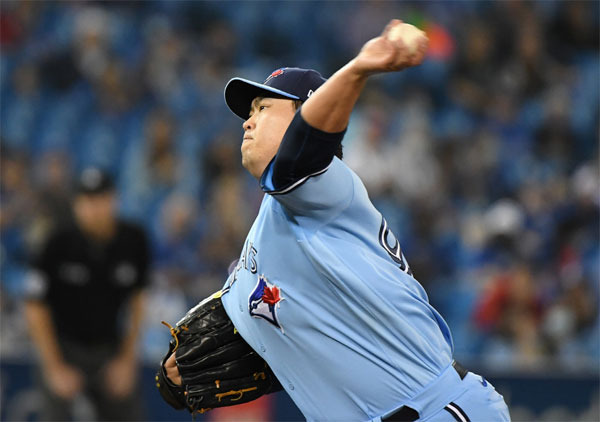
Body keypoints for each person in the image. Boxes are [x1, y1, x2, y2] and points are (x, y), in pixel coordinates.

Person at [166, 19, 511, 421]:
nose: (248, 120)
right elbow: (230, 311)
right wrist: (175, 372)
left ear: (302, 116)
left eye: (263, 107)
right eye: (249, 112)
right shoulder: (273, 222)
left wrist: (358, 69)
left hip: (437, 411)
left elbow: (305, 150)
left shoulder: (328, 186)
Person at [24, 167, 149, 421]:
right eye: (87, 200)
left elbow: (139, 301)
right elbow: (35, 306)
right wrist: (54, 366)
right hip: (64, 347)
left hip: (109, 348)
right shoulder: (56, 241)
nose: (95, 207)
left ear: (114, 200)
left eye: (102, 198)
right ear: (76, 204)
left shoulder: (133, 240)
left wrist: (127, 360)